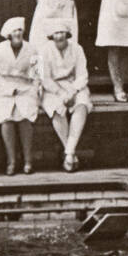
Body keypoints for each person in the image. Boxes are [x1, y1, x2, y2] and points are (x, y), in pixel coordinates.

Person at [0, 16, 41, 175]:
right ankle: (11, 160)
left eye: (20, 30)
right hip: (3, 88)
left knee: (24, 117)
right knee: (6, 118)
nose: (18, 33)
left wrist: (34, 91)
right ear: (8, 34)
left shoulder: (32, 49)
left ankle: (28, 160)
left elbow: (37, 75)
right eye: (15, 31)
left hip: (25, 88)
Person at [38, 22, 92, 172]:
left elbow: (82, 75)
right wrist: (61, 93)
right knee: (57, 109)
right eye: (56, 33)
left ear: (67, 35)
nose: (59, 36)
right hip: (52, 89)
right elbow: (43, 78)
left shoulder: (77, 49)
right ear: (51, 36)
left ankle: (69, 152)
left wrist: (73, 91)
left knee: (82, 105)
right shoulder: (43, 50)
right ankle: (70, 153)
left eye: (62, 33)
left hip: (73, 85)